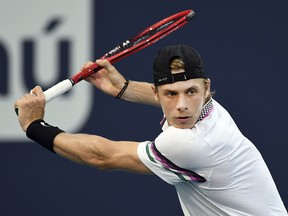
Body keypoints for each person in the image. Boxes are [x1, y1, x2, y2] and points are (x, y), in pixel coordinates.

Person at [14, 44, 287, 215]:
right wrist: (123, 88)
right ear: (158, 93)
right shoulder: (210, 108)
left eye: (190, 91)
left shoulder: (189, 144)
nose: (182, 106)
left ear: (205, 88)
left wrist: (34, 125)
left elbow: (104, 156)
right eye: (170, 94)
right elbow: (172, 95)